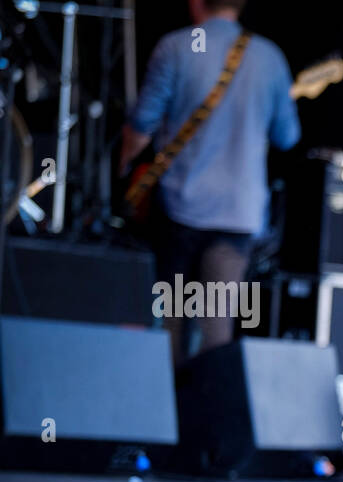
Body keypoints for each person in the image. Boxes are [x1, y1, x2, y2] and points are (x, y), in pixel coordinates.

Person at [120, 0, 300, 365]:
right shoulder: (269, 57)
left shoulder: (176, 46)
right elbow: (287, 136)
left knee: (170, 318)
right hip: (237, 212)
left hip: (179, 206)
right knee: (217, 327)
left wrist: (124, 163)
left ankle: (165, 415)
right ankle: (208, 415)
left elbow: (142, 123)